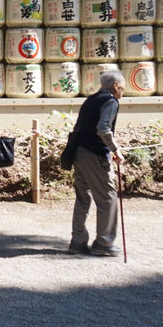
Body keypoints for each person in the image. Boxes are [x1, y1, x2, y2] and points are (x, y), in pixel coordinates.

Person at [67, 69, 125, 257]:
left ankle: (78, 241)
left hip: (79, 152)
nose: (123, 92)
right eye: (122, 88)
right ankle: (104, 242)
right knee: (107, 198)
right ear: (115, 85)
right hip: (95, 154)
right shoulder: (110, 101)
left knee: (83, 198)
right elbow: (103, 128)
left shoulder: (90, 99)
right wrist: (115, 149)